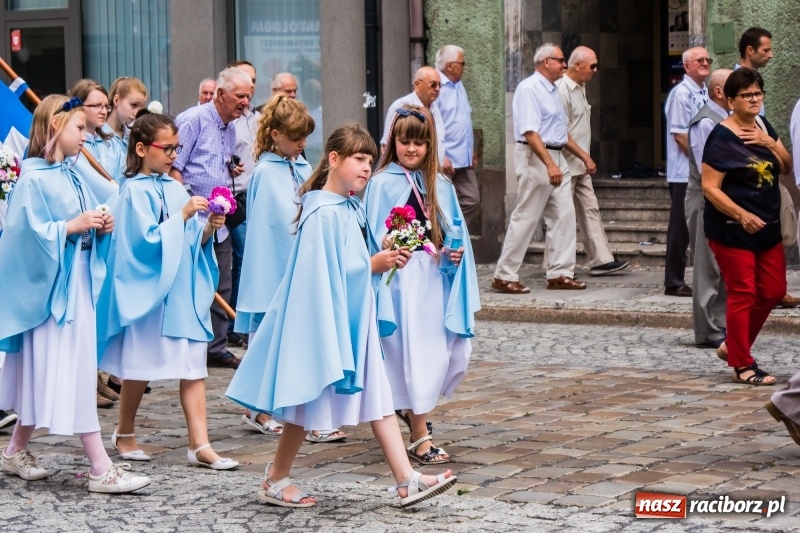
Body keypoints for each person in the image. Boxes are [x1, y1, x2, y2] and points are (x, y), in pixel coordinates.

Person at [225, 124, 456, 508]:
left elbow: (350, 256)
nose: (367, 168)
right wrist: (372, 264)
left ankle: (405, 479)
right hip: (327, 321)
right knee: (305, 403)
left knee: (375, 396)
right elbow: (321, 274)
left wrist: (381, 249)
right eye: (358, 160)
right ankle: (277, 477)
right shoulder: (322, 213)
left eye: (370, 160)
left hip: (353, 318)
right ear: (334, 159)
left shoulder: (349, 206)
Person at [0, 95, 150, 493]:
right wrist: (71, 226)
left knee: (67, 369)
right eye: (79, 128)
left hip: (77, 282)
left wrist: (98, 224)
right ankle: (100, 468)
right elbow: (21, 239)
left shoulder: (70, 172)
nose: (86, 135)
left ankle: (14, 450)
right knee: (74, 371)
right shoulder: (32, 179)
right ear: (54, 128)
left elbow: (81, 218)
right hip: (52, 295)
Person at [97, 111, 239, 470]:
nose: (175, 155)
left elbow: (191, 243)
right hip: (150, 295)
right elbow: (142, 245)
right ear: (143, 148)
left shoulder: (176, 189)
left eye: (177, 148)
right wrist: (183, 217)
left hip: (181, 294)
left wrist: (207, 229)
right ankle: (125, 431)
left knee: (193, 366)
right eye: (168, 148)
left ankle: (200, 443)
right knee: (139, 365)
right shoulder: (131, 192)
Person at [366, 105, 479, 465]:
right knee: (407, 353)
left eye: (419, 143)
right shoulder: (381, 184)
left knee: (437, 353)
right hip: (397, 284)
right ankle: (419, 434)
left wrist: (452, 254)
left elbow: (450, 235)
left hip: (432, 281)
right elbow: (369, 234)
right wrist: (384, 245)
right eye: (404, 142)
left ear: (430, 145)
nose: (411, 150)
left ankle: (410, 412)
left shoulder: (440, 185)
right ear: (393, 142)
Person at [233, 94, 336, 440]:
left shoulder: (303, 167)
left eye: (305, 137)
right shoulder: (263, 172)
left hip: (302, 264)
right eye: (296, 138)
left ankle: (303, 410)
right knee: (267, 336)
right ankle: (257, 408)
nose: (303, 144)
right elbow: (264, 229)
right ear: (276, 135)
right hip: (274, 267)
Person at [702, 68, 791, 386]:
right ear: (730, 100)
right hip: (732, 226)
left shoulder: (763, 125)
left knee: (774, 291)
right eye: (747, 95)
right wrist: (740, 215)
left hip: (766, 224)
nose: (755, 99)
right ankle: (742, 362)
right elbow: (710, 188)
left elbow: (786, 166)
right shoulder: (722, 137)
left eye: (758, 93)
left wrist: (770, 142)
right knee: (743, 292)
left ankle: (732, 346)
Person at [492, 43, 595, 294]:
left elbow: (560, 132)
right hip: (537, 156)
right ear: (545, 62)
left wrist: (584, 156)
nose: (564, 64)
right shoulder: (529, 88)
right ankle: (504, 275)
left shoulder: (552, 90)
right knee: (526, 216)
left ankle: (560, 273)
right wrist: (549, 164)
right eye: (560, 60)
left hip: (556, 155)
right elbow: (531, 132)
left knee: (564, 216)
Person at [171, 67, 253, 369]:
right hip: (194, 219)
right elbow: (175, 167)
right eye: (240, 96)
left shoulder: (230, 126)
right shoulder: (192, 120)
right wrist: (183, 210)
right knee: (194, 285)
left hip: (219, 220)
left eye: (249, 96)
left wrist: (230, 167)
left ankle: (216, 347)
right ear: (220, 94)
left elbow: (211, 161)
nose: (246, 102)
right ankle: (189, 345)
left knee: (222, 284)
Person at [67, 78, 124, 408]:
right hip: (88, 235)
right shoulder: (76, 149)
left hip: (107, 230)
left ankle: (95, 374)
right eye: (96, 105)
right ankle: (85, 378)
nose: (104, 110)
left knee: (99, 306)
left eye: (106, 105)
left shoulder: (108, 141)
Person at [557, 46, 628, 276]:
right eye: (592, 65)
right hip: (566, 164)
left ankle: (600, 260)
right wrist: (585, 156)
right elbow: (561, 132)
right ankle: (556, 266)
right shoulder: (562, 89)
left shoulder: (581, 86)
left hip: (579, 165)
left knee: (590, 210)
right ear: (577, 65)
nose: (596, 70)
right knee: (562, 216)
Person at [686, 69, 732, 350]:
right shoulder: (705, 122)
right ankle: (706, 329)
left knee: (722, 263)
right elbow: (707, 171)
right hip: (705, 198)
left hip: (722, 198)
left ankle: (721, 323)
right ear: (719, 92)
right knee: (707, 266)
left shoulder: (726, 119)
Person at [663, 47, 710, 297]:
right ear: (687, 66)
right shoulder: (681, 94)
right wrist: (699, 165)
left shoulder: (704, 91)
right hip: (685, 172)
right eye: (699, 60)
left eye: (707, 59)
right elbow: (681, 136)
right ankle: (673, 281)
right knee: (680, 227)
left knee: (696, 225)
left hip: (701, 169)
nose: (705, 62)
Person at [227, 60, 259, 350]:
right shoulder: (227, 121)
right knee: (241, 256)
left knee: (245, 256)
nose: (246, 99)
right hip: (235, 197)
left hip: (254, 194)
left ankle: (236, 321)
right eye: (242, 90)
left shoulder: (256, 118)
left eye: (251, 87)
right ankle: (234, 321)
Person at [436, 45, 480, 231]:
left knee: (472, 199)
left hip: (463, 159)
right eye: (462, 63)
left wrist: (473, 149)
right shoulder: (436, 86)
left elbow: (463, 119)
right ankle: (444, 238)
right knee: (442, 203)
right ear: (450, 65)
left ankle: (451, 233)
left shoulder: (458, 84)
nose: (465, 67)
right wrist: (440, 156)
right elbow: (432, 124)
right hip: (444, 161)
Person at [380, 66, 447, 167]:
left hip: (433, 174)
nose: (437, 89)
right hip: (407, 175)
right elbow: (386, 146)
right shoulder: (401, 106)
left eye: (439, 85)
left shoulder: (435, 108)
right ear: (417, 85)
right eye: (433, 84)